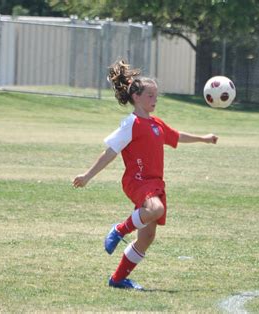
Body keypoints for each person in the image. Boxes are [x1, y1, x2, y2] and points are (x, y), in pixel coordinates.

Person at [72, 59, 218, 290]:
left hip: (155, 184)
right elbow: (110, 152)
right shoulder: (131, 123)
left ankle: (118, 279)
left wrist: (203, 138)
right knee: (155, 209)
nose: (155, 100)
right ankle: (119, 229)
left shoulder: (156, 123)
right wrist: (88, 175)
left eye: (156, 96)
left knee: (147, 237)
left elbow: (176, 136)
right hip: (137, 181)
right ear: (136, 97)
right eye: (150, 96)